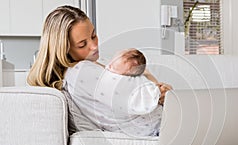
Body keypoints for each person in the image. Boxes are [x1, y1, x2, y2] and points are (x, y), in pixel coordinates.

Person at [27, 5, 172, 135]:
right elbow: (139, 95)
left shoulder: (97, 66)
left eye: (93, 36)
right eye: (82, 44)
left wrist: (160, 89)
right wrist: (157, 91)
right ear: (64, 51)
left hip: (164, 124)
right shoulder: (79, 71)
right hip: (160, 128)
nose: (94, 46)